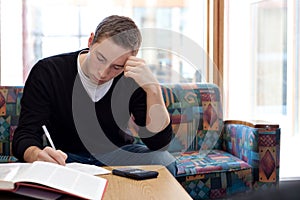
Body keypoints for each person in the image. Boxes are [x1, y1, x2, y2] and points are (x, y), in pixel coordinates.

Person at [12, 15, 175, 173]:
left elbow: (158, 143)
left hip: (117, 154)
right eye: (100, 58)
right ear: (90, 41)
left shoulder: (131, 77)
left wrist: (153, 89)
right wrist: (36, 154)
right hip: (65, 157)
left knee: (164, 161)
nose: (103, 73)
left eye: (116, 67)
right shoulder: (48, 72)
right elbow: (25, 135)